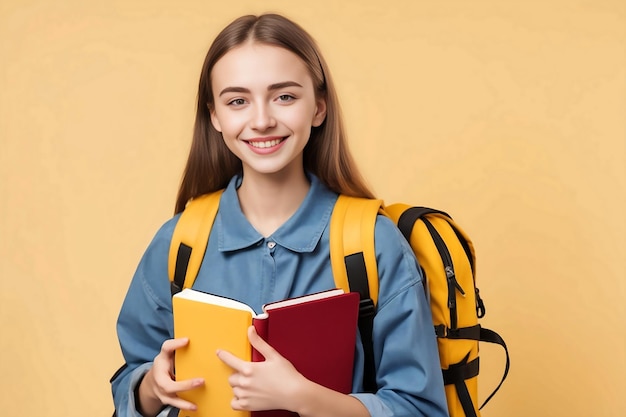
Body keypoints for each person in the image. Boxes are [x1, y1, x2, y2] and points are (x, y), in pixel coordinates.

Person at [111, 13, 449, 417]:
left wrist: (303, 398)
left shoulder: (373, 243)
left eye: (284, 96)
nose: (261, 120)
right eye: (237, 101)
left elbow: (421, 408)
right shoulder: (178, 242)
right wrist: (151, 386)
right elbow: (131, 379)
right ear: (215, 116)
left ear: (319, 107)